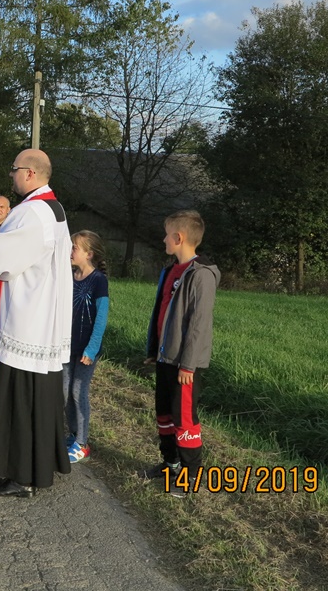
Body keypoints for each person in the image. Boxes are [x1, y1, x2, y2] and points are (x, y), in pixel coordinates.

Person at [0, 149, 72, 498]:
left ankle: (18, 473)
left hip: (25, 319)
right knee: (35, 398)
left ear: (29, 173)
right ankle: (35, 465)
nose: (10, 175)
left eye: (14, 170)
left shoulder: (30, 212)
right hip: (42, 317)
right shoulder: (53, 209)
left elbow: (0, 258)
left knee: (18, 400)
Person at [143, 210, 220, 497]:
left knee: (184, 419)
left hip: (184, 365)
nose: (163, 239)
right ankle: (170, 463)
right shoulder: (170, 270)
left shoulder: (201, 274)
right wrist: (154, 349)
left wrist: (188, 365)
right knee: (164, 414)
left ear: (178, 238)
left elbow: (199, 324)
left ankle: (191, 476)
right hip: (165, 358)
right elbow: (161, 314)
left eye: (166, 235)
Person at [64, 230, 110, 464]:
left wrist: (91, 349)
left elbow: (101, 318)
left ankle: (82, 443)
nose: (70, 251)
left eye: (74, 247)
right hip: (67, 346)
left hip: (86, 350)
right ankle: (73, 434)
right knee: (64, 390)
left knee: (77, 391)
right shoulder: (69, 276)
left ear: (89, 254)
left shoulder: (99, 281)